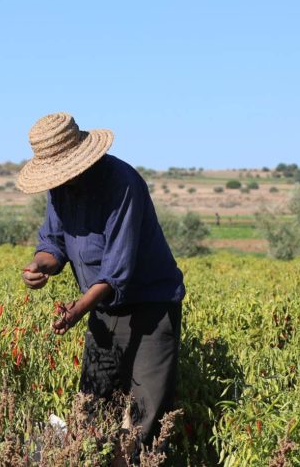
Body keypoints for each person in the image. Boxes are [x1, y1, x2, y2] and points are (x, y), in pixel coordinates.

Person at [17, 112, 184, 458]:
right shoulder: (60, 190)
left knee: (143, 417)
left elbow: (115, 270)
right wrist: (39, 266)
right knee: (92, 408)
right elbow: (53, 244)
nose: (60, 180)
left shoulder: (122, 184)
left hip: (151, 306)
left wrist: (77, 310)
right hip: (102, 308)